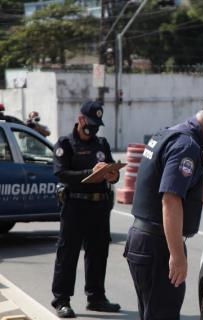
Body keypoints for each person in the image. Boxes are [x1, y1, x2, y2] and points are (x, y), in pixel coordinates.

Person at [124, 98, 203, 320]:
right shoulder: (186, 147)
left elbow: (186, 189)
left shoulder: (168, 134)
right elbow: (171, 199)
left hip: (142, 241)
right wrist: (176, 255)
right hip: (158, 246)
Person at [51, 100, 121, 318]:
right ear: (80, 119)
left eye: (97, 124)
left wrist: (112, 174)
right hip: (75, 205)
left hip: (99, 205)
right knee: (68, 253)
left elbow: (113, 171)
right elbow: (61, 174)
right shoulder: (66, 144)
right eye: (90, 123)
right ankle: (61, 300)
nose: (93, 128)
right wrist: (90, 172)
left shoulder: (101, 143)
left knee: (98, 253)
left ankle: (96, 297)